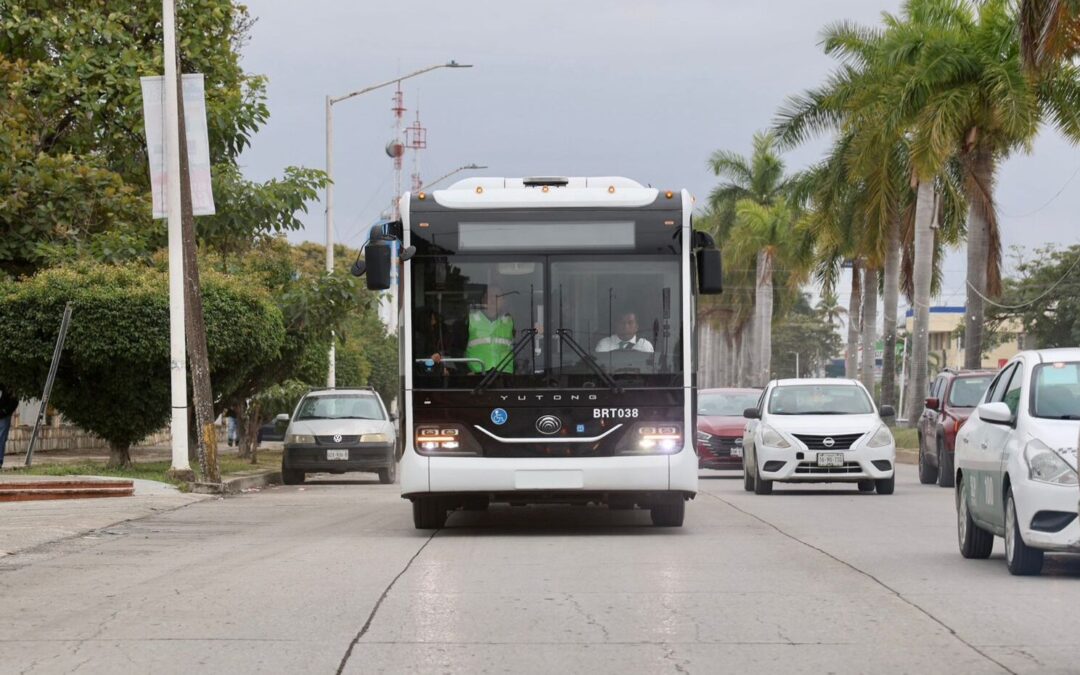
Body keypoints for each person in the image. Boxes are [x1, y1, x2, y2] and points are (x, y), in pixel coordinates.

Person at [431, 283, 515, 374]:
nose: (493, 300)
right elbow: (456, 350)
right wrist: (466, 371)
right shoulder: (469, 321)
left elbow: (519, 349)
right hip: (476, 378)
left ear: (503, 301)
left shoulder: (510, 322)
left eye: (497, 296)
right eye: (489, 296)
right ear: (483, 299)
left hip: (507, 378)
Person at [0, 384, 18, 469]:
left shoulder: (9, 386)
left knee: (1, 439)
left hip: (3, 416)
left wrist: (4, 411)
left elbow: (14, 402)